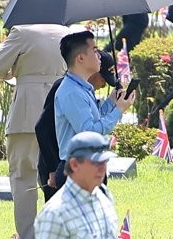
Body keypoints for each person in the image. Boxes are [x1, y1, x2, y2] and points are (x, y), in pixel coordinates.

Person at [0, 24, 69, 239]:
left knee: (23, 176)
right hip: (60, 111)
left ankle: (28, 238)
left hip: (27, 112)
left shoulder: (21, 33)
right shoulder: (67, 32)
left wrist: (14, 70)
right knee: (60, 173)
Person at [53, 32, 134, 188]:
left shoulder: (82, 88)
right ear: (80, 58)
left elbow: (96, 119)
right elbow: (89, 132)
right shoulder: (72, 92)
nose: (99, 56)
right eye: (95, 51)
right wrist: (118, 110)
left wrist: (113, 101)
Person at [36, 52, 119, 201]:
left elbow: (97, 119)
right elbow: (42, 129)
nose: (104, 84)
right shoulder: (66, 89)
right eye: (103, 78)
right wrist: (52, 169)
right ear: (93, 70)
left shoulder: (86, 91)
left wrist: (114, 101)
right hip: (56, 163)